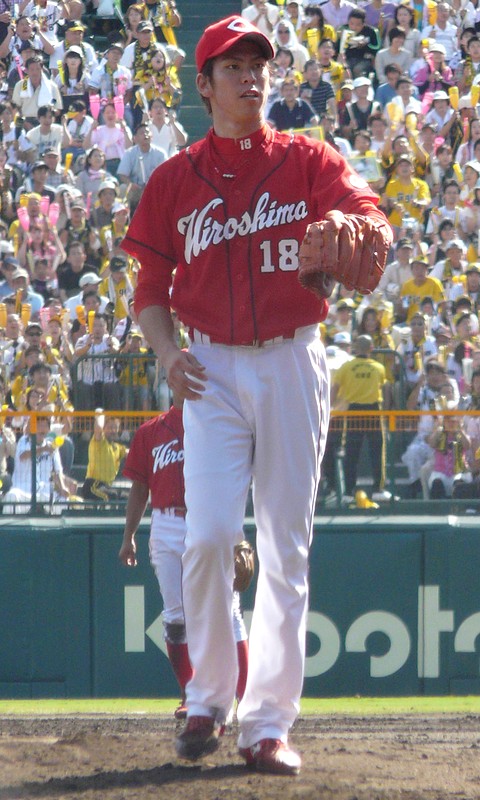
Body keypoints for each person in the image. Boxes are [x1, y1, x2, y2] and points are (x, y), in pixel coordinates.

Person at [122, 14, 391, 775]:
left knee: (284, 547)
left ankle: (266, 723)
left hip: (289, 360)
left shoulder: (307, 159)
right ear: (202, 85)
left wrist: (354, 220)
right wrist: (167, 352)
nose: (251, 76)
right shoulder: (176, 178)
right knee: (207, 537)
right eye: (233, 66)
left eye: (258, 64)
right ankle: (207, 697)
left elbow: (372, 219)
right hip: (206, 368)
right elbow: (147, 285)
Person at [119, 394, 249, 718]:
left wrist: (235, 531)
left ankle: (246, 700)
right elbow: (139, 488)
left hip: (209, 519)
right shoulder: (151, 431)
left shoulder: (220, 425)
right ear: (171, 380)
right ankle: (191, 696)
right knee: (176, 617)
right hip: (166, 522)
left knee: (229, 612)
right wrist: (128, 536)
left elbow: (240, 479)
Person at [331, 334, 391, 504]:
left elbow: (334, 388)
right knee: (377, 452)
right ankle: (379, 490)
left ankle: (349, 492)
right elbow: (385, 389)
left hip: (353, 412)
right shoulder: (378, 367)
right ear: (371, 349)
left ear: (355, 348)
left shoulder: (346, 367)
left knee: (351, 453)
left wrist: (331, 407)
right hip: (373, 412)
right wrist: (385, 411)